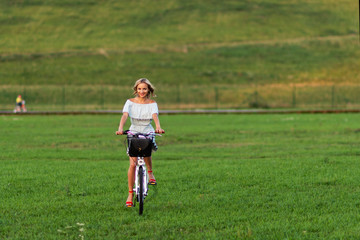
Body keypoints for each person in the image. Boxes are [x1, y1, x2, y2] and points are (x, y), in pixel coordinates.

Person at [116, 78, 165, 207]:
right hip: (133, 131)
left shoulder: (152, 103)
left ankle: (150, 172)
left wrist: (158, 127)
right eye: (139, 89)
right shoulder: (130, 102)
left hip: (147, 131)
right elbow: (125, 115)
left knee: (147, 152)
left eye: (144, 89)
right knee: (133, 164)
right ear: (136, 90)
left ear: (148, 89)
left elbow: (155, 116)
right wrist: (120, 128)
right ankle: (130, 194)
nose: (142, 91)